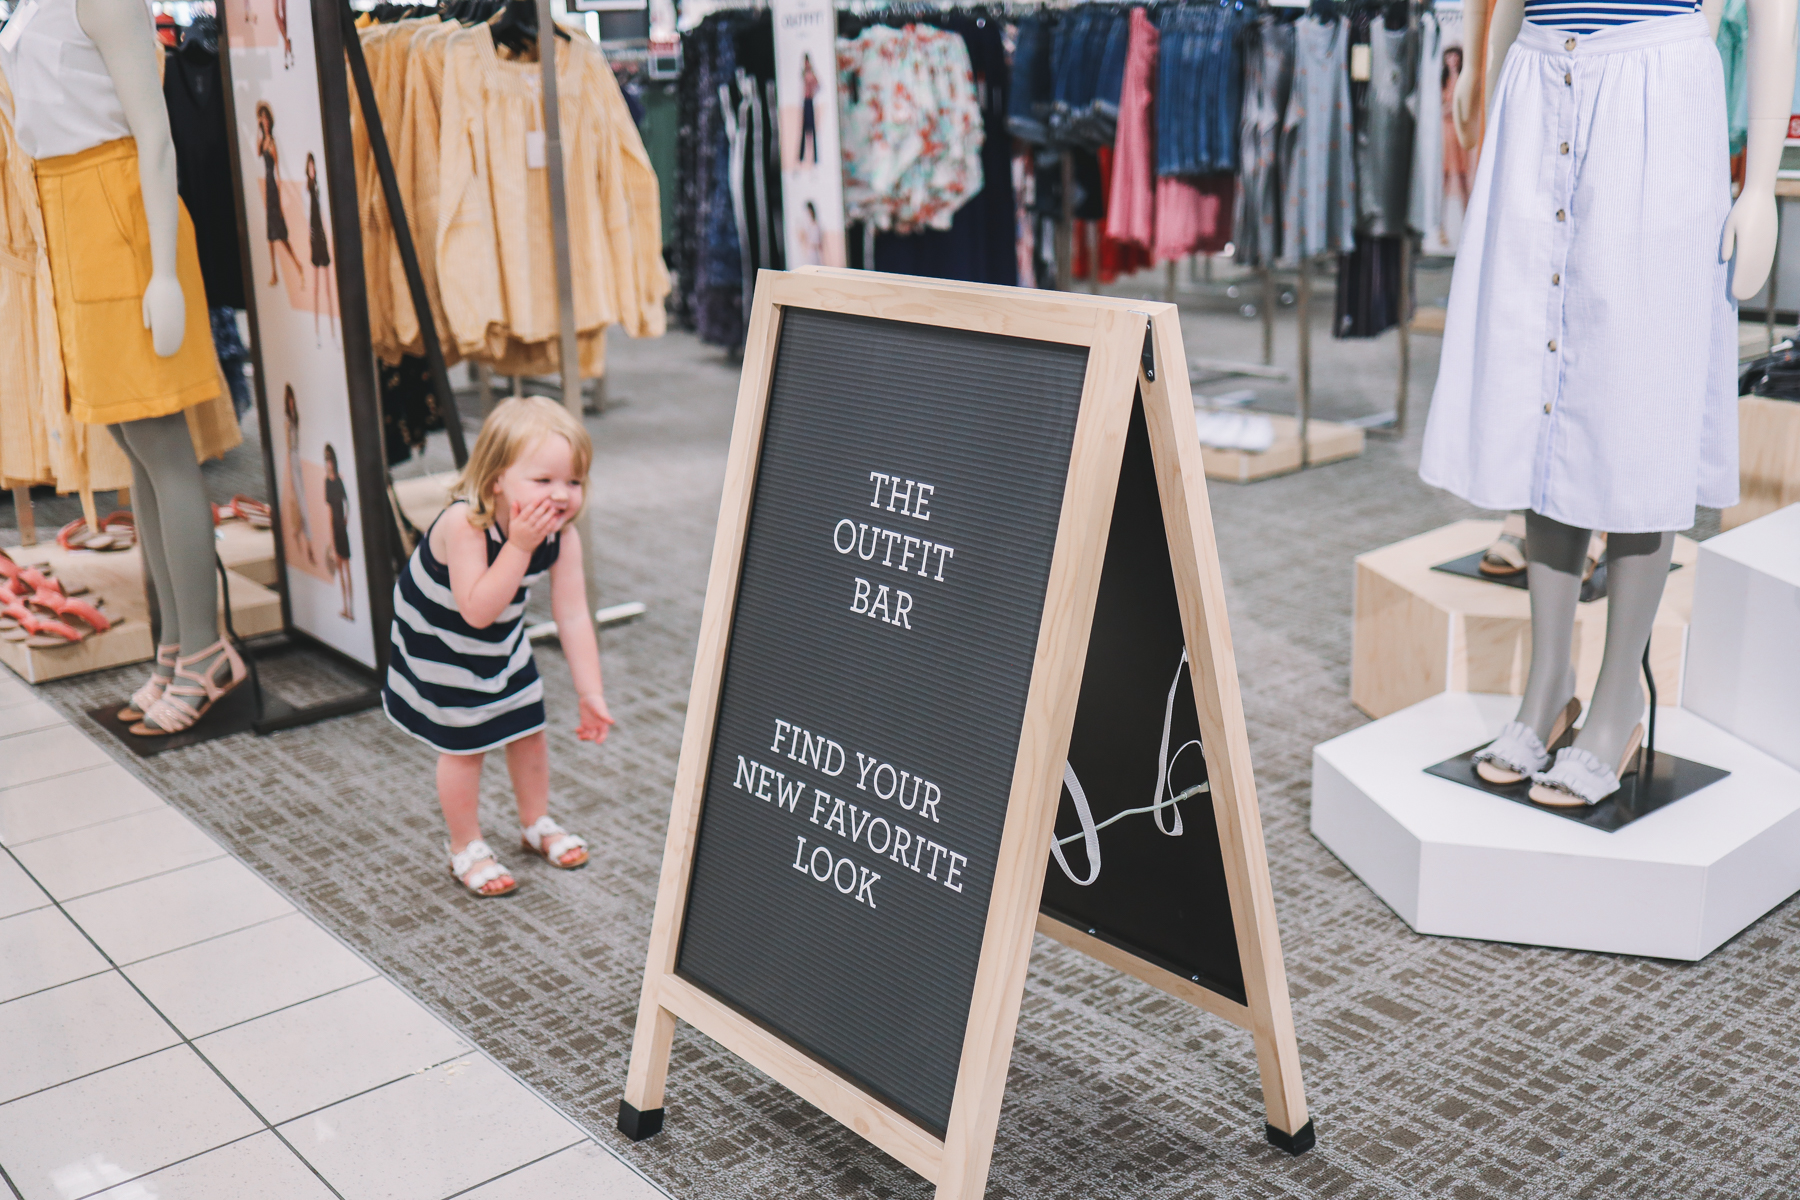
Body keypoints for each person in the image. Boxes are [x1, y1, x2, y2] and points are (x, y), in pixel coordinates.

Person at [382, 396, 615, 897]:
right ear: (496, 479)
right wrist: (520, 548)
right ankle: (464, 845)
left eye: (573, 482)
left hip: (499, 639)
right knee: (465, 746)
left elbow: (572, 614)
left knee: (528, 727)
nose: (561, 495)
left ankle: (535, 822)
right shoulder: (466, 524)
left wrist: (589, 691)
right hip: (440, 642)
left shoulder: (560, 536)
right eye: (544, 480)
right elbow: (475, 608)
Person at [256, 103, 305, 288]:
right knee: (272, 234)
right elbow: (257, 151)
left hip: (273, 189)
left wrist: (280, 195)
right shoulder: (263, 141)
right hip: (268, 188)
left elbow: (277, 171)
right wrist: (258, 129)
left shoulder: (273, 142)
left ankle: (296, 266)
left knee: (280, 234)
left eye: (266, 118)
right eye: (262, 119)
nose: (265, 122)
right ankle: (276, 272)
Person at [282, 385, 317, 565]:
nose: (291, 403)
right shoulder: (288, 422)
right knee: (301, 505)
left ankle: (305, 544)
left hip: (301, 461)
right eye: (289, 400)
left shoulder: (297, 420)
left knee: (305, 504)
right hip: (295, 462)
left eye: (292, 399)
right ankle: (306, 547)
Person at [305, 153, 334, 344]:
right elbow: (310, 213)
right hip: (314, 234)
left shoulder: (318, 187)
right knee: (316, 285)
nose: (312, 170)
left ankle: (332, 331)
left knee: (328, 285)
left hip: (321, 233)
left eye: (313, 167)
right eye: (310, 167)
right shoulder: (307, 188)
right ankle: (317, 332)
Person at [323, 444, 354, 620]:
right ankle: (346, 607)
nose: (328, 463)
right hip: (336, 526)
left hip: (340, 526)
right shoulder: (327, 482)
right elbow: (331, 510)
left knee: (346, 568)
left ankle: (350, 608)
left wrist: (345, 519)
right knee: (342, 568)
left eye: (329, 459)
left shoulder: (336, 481)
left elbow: (346, 502)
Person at [799, 51, 819, 164]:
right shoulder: (804, 72)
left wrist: (812, 93)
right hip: (805, 101)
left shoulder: (811, 73)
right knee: (803, 129)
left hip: (809, 101)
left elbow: (817, 85)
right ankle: (802, 157)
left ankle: (815, 158)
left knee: (811, 129)